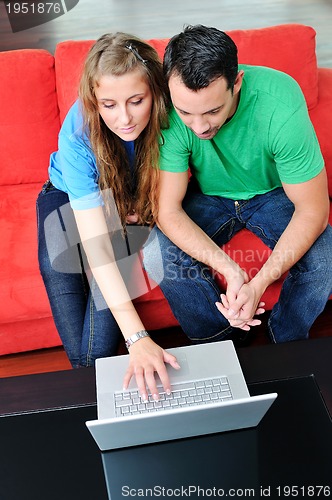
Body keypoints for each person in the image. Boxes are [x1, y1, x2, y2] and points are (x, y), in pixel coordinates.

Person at [143, 24, 332, 343]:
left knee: (324, 257)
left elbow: (313, 211)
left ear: (237, 83)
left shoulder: (279, 104)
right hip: (208, 196)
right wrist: (231, 270)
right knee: (154, 251)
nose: (200, 126)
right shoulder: (166, 109)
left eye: (213, 110)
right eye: (186, 112)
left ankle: (282, 346)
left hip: (272, 194)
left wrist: (258, 284)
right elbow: (167, 211)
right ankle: (220, 341)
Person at [37, 32, 180, 400]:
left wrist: (136, 210)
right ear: (93, 101)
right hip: (67, 194)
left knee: (95, 353)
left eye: (136, 101)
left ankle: (102, 396)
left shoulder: (172, 114)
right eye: (109, 105)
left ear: (155, 92)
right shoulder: (77, 133)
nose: (125, 118)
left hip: (128, 200)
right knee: (57, 266)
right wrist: (138, 338)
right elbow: (96, 247)